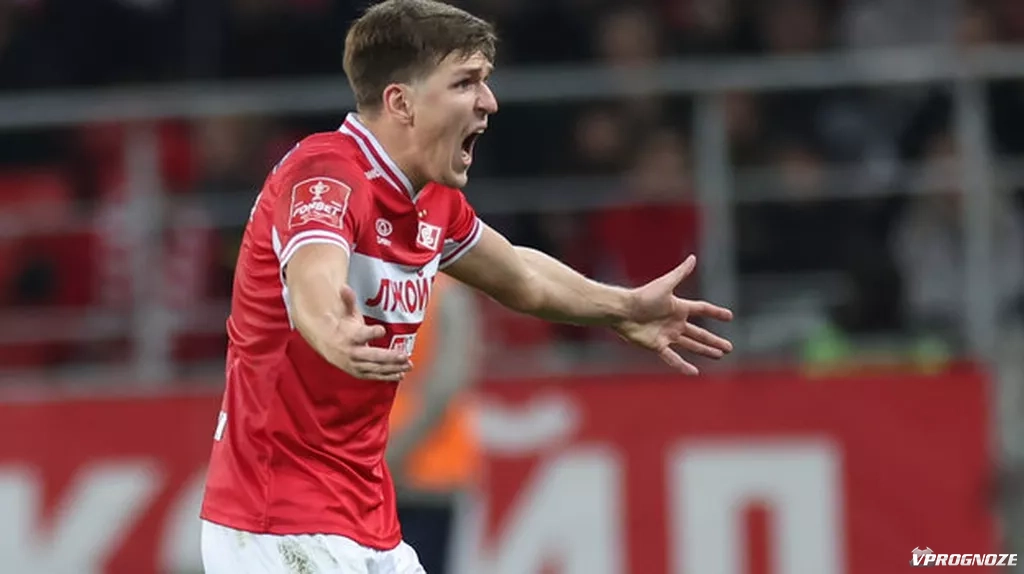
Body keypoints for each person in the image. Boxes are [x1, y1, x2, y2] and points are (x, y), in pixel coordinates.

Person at [197, 1, 734, 573]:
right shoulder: (326, 175)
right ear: (401, 102)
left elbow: (521, 276)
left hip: (364, 518)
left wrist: (622, 307)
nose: (489, 101)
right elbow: (313, 272)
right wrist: (331, 328)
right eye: (465, 82)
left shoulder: (431, 199)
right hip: (276, 521)